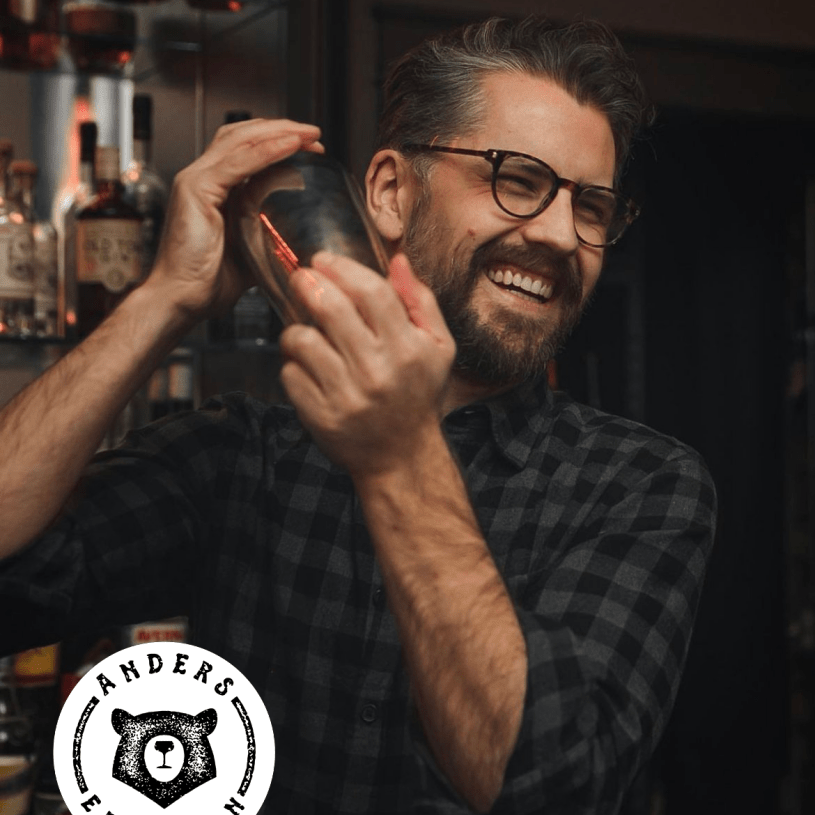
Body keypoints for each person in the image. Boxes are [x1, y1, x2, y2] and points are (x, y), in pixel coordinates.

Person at [0, 15, 716, 815]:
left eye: (592, 206)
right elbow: (16, 582)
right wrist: (164, 299)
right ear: (389, 192)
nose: (558, 234)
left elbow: (550, 785)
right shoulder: (245, 454)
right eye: (517, 179)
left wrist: (400, 454)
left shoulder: (642, 485)